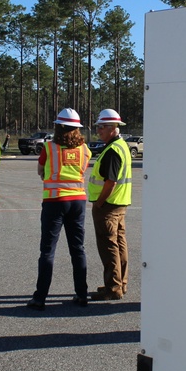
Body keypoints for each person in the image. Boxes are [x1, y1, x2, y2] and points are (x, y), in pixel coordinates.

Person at [27, 108, 92, 311]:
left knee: (47, 251)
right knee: (78, 249)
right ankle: (82, 294)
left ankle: (40, 298)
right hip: (78, 201)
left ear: (58, 127)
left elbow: (40, 170)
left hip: (55, 201)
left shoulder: (49, 148)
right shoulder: (85, 149)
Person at [88, 108, 132, 301]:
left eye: (102, 127)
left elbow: (110, 182)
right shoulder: (121, 145)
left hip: (108, 205)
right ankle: (120, 284)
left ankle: (113, 287)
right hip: (120, 204)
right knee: (119, 244)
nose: (99, 131)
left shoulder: (113, 150)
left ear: (113, 128)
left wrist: (99, 203)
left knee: (109, 247)